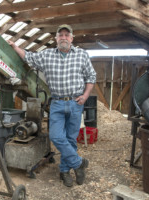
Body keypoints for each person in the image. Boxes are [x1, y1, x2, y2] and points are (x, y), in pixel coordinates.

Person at [7, 24, 96, 187]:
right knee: (56, 136)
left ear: (71, 38)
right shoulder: (47, 55)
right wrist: (14, 46)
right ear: (56, 39)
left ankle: (64, 171)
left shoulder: (82, 55)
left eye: (66, 35)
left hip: (76, 103)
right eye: (60, 35)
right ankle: (78, 163)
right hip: (56, 103)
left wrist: (85, 95)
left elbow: (91, 76)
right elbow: (28, 57)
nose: (63, 37)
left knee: (71, 139)